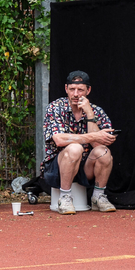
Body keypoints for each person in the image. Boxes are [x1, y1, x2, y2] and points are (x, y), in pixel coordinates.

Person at [41, 70, 118, 213]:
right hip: (57, 168)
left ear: (88, 90)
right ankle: (64, 197)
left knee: (104, 152)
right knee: (75, 148)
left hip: (85, 168)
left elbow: (98, 145)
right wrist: (93, 137)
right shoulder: (55, 107)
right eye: (72, 89)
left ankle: (98, 196)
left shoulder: (96, 111)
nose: (76, 94)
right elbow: (59, 140)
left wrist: (89, 114)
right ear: (66, 89)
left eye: (80, 90)